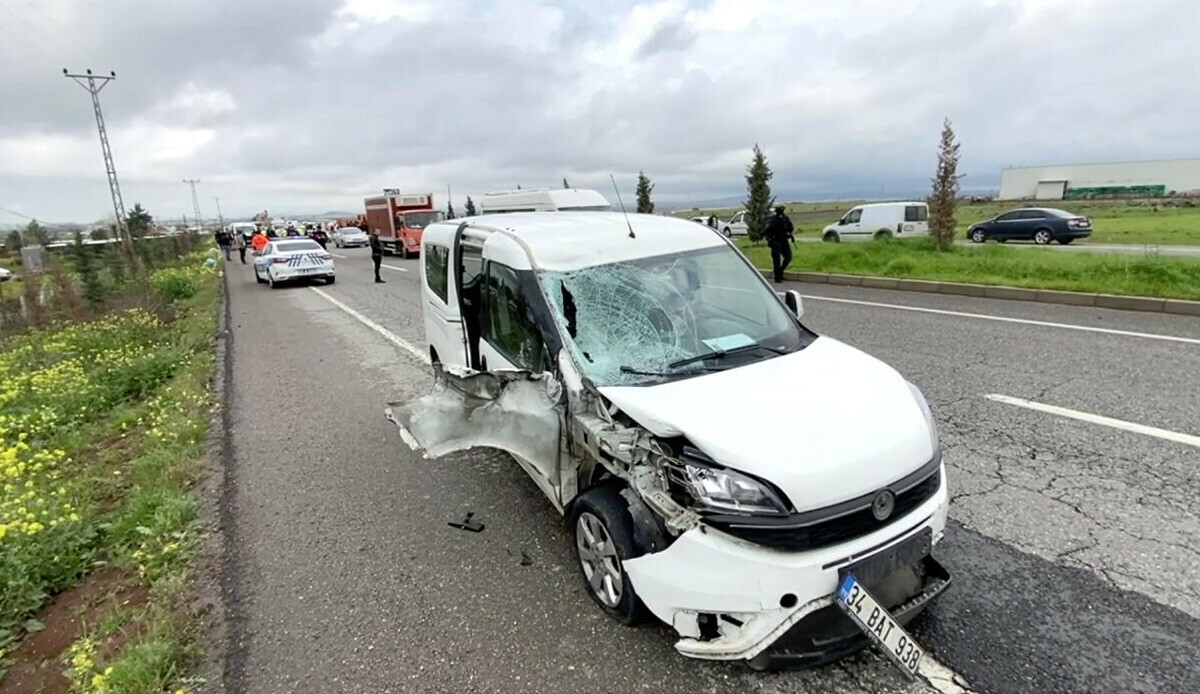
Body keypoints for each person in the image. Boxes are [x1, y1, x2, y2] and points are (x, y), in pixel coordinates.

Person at [763, 205, 795, 283]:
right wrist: (765, 235)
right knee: (776, 260)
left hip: (784, 241)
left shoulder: (785, 218)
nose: (781, 213)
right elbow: (767, 229)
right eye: (779, 211)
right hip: (775, 241)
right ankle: (777, 277)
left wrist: (790, 233)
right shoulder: (772, 219)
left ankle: (780, 272)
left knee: (788, 257)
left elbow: (790, 227)